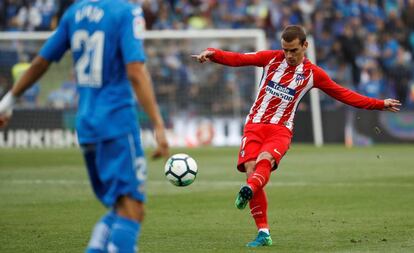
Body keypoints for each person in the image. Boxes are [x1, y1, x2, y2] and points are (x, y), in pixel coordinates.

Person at [192, 25, 401, 248]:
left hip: (280, 129)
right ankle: (263, 232)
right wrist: (213, 53)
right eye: (285, 50)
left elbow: (344, 94)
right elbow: (239, 58)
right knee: (252, 169)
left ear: (305, 46)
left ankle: (249, 190)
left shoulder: (313, 74)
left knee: (265, 161)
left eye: (293, 50)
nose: (289, 55)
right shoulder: (271, 59)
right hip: (254, 124)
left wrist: (379, 104)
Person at [0, 0, 169, 252]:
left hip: (87, 124)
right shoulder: (127, 12)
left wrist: (7, 102)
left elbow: (40, 63)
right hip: (117, 122)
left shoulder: (75, 13)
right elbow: (135, 70)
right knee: (133, 209)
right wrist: (158, 122)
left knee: (121, 207)